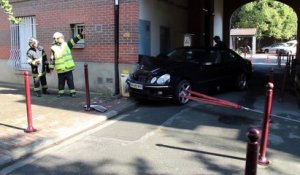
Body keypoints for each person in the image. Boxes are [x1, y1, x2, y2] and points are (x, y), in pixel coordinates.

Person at [49, 31, 84, 97]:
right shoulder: (53, 48)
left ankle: (73, 92)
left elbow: (74, 40)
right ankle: (60, 93)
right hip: (60, 69)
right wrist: (51, 67)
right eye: (61, 38)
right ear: (56, 39)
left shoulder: (67, 44)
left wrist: (81, 35)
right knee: (61, 82)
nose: (62, 38)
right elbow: (52, 58)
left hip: (68, 68)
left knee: (70, 81)